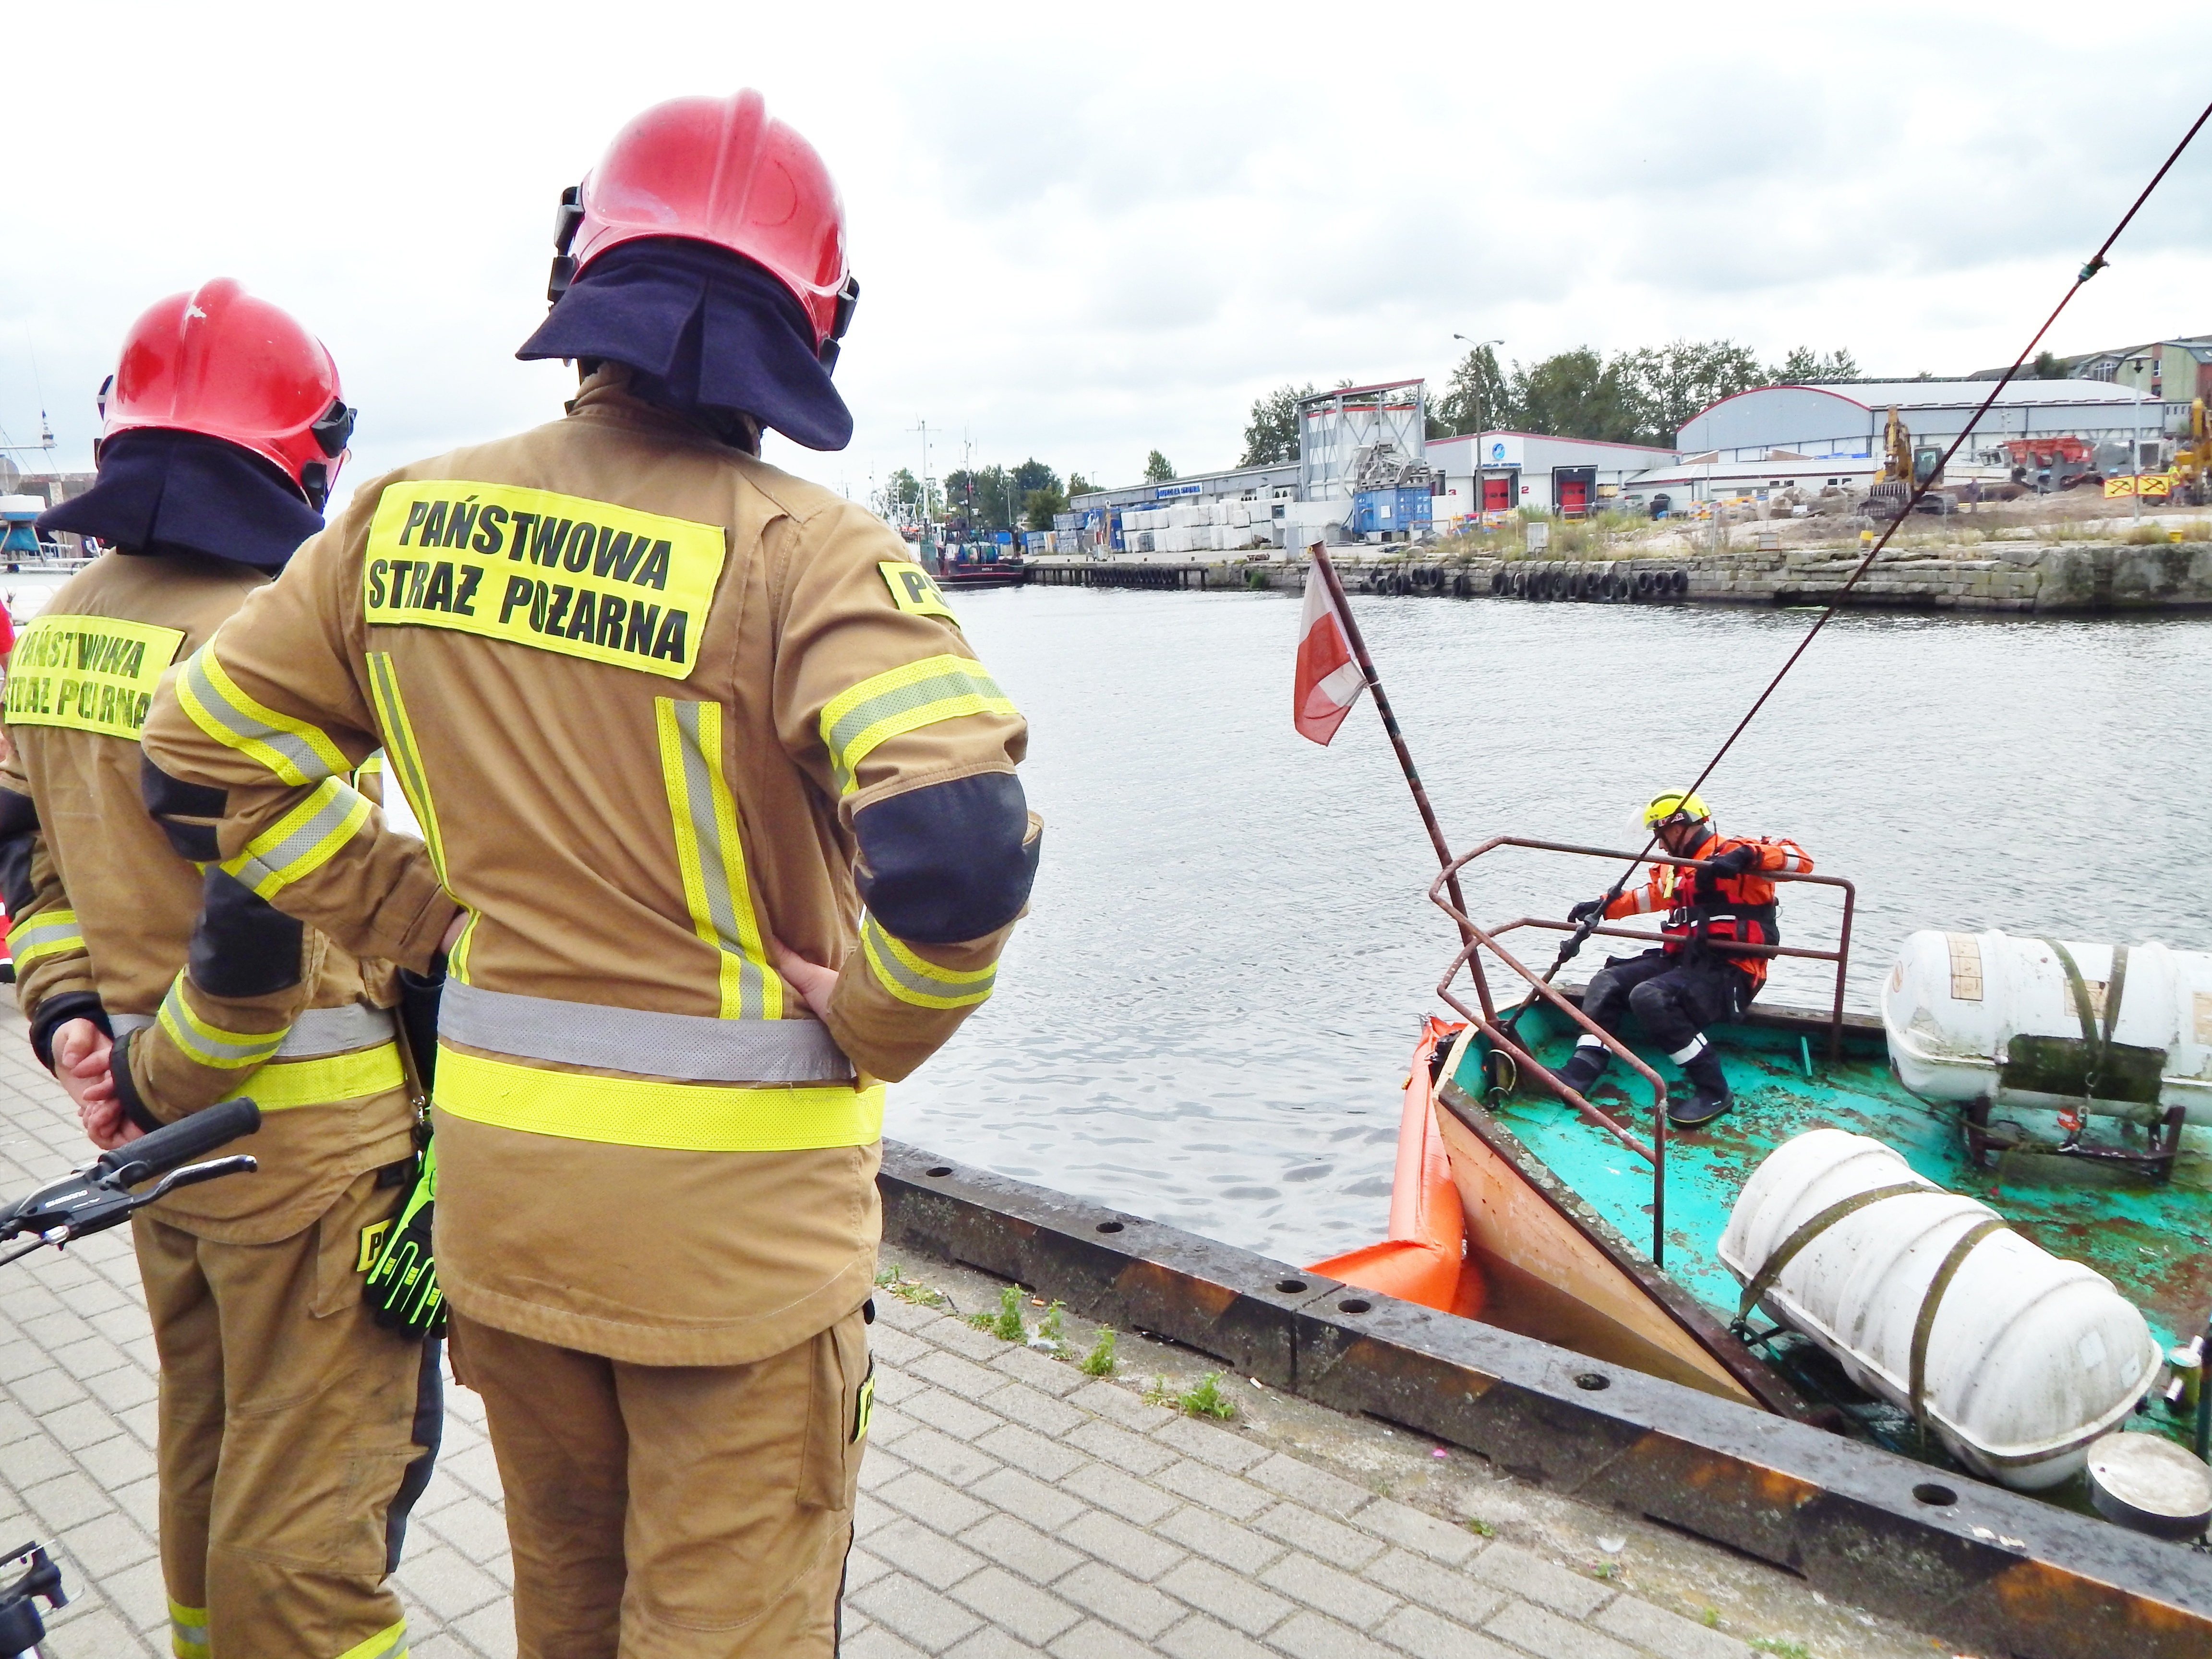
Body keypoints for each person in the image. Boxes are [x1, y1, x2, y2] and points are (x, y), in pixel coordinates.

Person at [139, 90, 1037, 1659]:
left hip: (510, 1224)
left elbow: (196, 759)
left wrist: (416, 912)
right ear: (813, 319)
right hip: (736, 1257)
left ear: (584, 281)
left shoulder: (401, 522)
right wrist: (884, 1016)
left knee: (569, 1606)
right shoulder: (804, 552)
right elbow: (959, 846)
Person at [0, 280, 440, 1659]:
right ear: (301, 454)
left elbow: (28, 869)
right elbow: (267, 925)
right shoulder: (271, 640)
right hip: (303, 1150)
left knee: (204, 1446)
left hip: (161, 1159)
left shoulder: (65, 621)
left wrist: (74, 1022)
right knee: (315, 1512)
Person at [1556, 791, 1811, 1127]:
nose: (1660, 846)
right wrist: (1603, 906)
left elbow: (1800, 861)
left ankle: (1714, 1090)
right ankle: (1580, 1071)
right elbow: (1651, 897)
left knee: (1650, 996)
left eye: (1660, 835)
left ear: (1678, 828)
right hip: (1684, 960)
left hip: (1730, 971)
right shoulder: (1675, 869)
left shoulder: (1736, 854)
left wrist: (1748, 857)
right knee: (1608, 982)